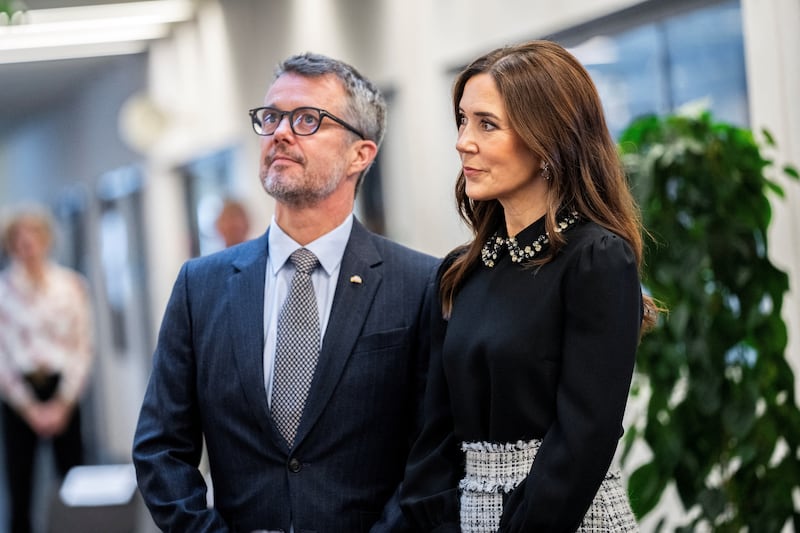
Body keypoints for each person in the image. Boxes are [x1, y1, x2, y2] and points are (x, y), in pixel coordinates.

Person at [132, 52, 438, 532]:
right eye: (271, 116)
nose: (279, 132)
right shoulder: (201, 287)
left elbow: (434, 454)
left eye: (307, 120)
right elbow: (160, 447)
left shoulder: (420, 283)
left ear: (361, 154)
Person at [400, 40, 660, 532]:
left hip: (564, 518)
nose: (462, 140)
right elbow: (433, 436)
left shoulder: (597, 258)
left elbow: (585, 435)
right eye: (462, 119)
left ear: (547, 140)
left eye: (486, 123)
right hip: (468, 517)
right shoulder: (460, 270)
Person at [0, 204, 94, 533]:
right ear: (9, 243)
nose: (27, 243)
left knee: (72, 480)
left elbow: (82, 346)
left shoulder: (71, 286)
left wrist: (64, 402)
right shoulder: (3, 292)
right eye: (18, 237)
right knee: (19, 485)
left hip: (62, 389)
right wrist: (29, 408)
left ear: (46, 239)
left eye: (34, 235)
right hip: (19, 395)